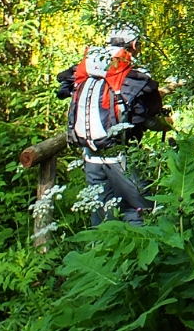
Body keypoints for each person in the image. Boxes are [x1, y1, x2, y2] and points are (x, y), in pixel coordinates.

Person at [56, 25, 164, 226]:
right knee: (139, 209)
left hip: (90, 156)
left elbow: (64, 87)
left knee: (101, 215)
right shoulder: (130, 75)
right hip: (120, 157)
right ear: (134, 45)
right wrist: (165, 126)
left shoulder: (87, 68)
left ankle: (99, 253)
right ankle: (141, 254)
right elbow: (146, 118)